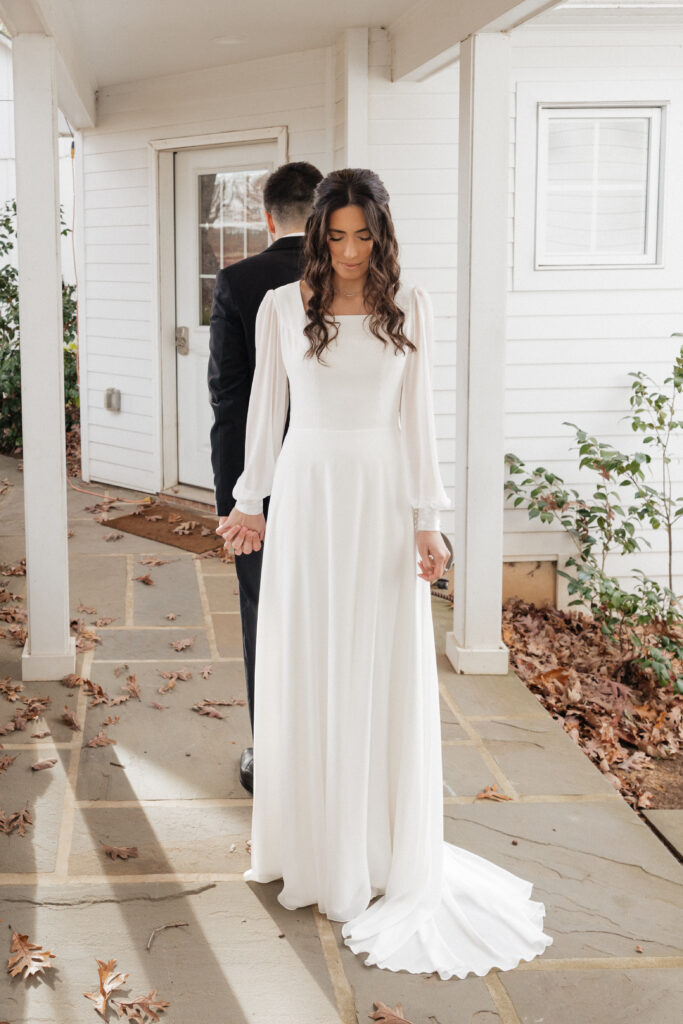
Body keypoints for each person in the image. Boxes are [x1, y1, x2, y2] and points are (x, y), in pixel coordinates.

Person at [216, 169, 554, 979]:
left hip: (377, 496)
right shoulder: (278, 307)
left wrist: (427, 520)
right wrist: (249, 500)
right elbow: (264, 408)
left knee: (376, 663)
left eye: (363, 236)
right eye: (336, 236)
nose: (349, 252)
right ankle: (309, 845)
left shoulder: (412, 308)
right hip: (305, 494)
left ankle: (376, 848)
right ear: (316, 235)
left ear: (383, 235)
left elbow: (419, 420)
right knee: (307, 662)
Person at [208, 161, 323, 793]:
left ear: (268, 216)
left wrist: (233, 495)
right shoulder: (357, 282)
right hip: (343, 478)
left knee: (264, 608)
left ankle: (273, 754)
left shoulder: (239, 281)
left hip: (264, 481)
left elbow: (228, 398)